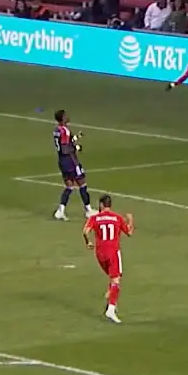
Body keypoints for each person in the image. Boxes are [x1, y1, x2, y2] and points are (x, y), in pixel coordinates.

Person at [82, 194, 133, 323]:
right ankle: (111, 309)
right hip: (113, 252)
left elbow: (85, 231)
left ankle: (111, 294)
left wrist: (88, 242)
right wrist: (130, 220)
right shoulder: (117, 218)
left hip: (100, 254)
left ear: (101, 204)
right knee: (116, 280)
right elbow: (129, 232)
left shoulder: (95, 218)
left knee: (113, 278)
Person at [51, 109, 93, 221]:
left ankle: (60, 211)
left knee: (69, 186)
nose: (68, 117)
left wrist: (76, 137)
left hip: (62, 162)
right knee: (82, 183)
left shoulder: (57, 130)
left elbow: (65, 142)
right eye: (66, 116)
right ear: (63, 118)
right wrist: (76, 148)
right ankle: (88, 211)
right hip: (70, 161)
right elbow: (65, 149)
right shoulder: (64, 131)